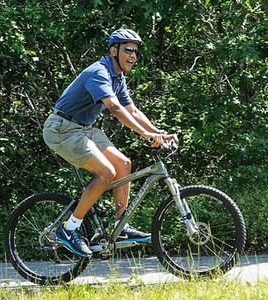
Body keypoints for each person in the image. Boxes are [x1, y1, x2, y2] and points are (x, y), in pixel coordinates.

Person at [43, 29, 178, 257]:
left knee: (124, 165)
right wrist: (147, 136)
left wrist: (159, 133)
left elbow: (131, 110)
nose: (133, 56)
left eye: (135, 52)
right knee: (106, 172)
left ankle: (120, 227)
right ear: (113, 50)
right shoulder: (99, 72)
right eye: (128, 49)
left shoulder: (118, 78)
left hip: (82, 128)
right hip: (61, 129)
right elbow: (115, 108)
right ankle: (70, 228)